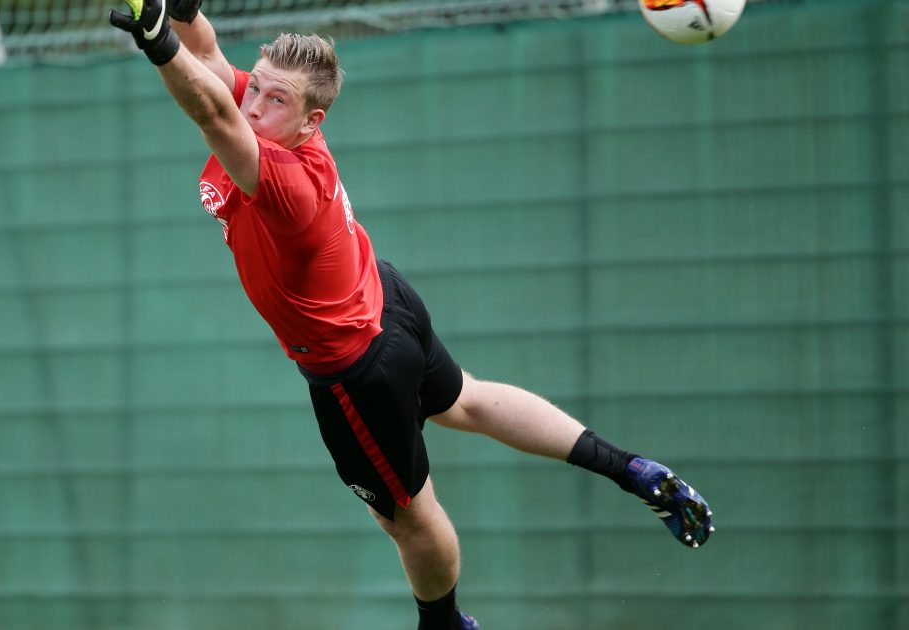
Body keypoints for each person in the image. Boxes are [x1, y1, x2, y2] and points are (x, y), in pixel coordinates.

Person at [109, 3, 714, 628]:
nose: (254, 103)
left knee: (408, 516)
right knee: (468, 401)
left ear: (312, 122)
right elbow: (207, 59)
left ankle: (444, 624)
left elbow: (210, 110)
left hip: (357, 372)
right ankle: (630, 469)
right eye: (254, 85)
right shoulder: (272, 115)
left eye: (274, 100)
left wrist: (155, 38)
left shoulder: (285, 182)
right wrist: (181, 14)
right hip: (384, 295)